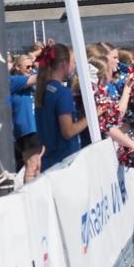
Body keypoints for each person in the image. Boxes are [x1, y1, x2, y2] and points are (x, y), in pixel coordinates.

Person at [35, 43, 87, 171]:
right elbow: (68, 132)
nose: (74, 66)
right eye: (73, 62)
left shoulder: (42, 90)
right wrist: (92, 116)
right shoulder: (62, 93)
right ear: (64, 64)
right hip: (64, 161)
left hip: (49, 161)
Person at [9, 54, 44, 181]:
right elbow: (40, 76)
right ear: (18, 67)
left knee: (37, 164)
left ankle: (35, 190)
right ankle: (28, 190)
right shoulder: (15, 80)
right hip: (27, 128)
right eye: (27, 67)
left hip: (34, 126)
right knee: (31, 165)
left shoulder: (27, 80)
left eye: (32, 67)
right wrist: (47, 60)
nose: (30, 69)